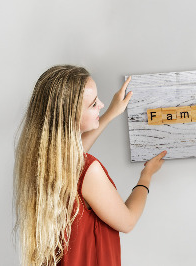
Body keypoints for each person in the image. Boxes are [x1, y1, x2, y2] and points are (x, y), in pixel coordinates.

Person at [14, 65, 166, 266]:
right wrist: (146, 176)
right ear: (71, 117)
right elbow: (127, 221)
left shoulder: (42, 160)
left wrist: (111, 113)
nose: (101, 104)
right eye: (94, 104)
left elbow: (75, 157)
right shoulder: (89, 170)